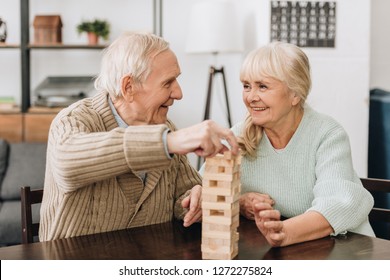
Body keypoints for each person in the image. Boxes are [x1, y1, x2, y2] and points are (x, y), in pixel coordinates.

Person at [39, 32, 238, 241]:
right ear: (128, 87)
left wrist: (195, 199)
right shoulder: (74, 120)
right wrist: (168, 142)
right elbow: (68, 162)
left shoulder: (165, 126)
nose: (179, 93)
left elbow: (183, 195)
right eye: (168, 83)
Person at [233, 41, 375, 247]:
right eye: (246, 86)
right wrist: (239, 203)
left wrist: (284, 232)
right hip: (281, 250)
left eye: (262, 86)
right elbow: (204, 190)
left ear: (295, 94)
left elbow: (337, 204)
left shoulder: (327, 134)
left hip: (345, 249)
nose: (251, 97)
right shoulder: (239, 134)